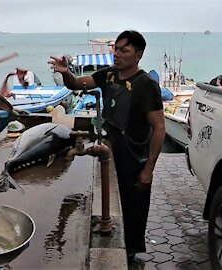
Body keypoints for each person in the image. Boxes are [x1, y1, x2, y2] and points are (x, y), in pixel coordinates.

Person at [50, 30, 165, 269]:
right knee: (114, 202)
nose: (117, 54)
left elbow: (159, 128)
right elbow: (77, 84)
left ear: (138, 55)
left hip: (136, 157)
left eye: (125, 50)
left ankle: (131, 255)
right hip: (113, 150)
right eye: (116, 48)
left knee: (134, 209)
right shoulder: (109, 75)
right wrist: (66, 73)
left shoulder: (147, 85)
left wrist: (149, 169)